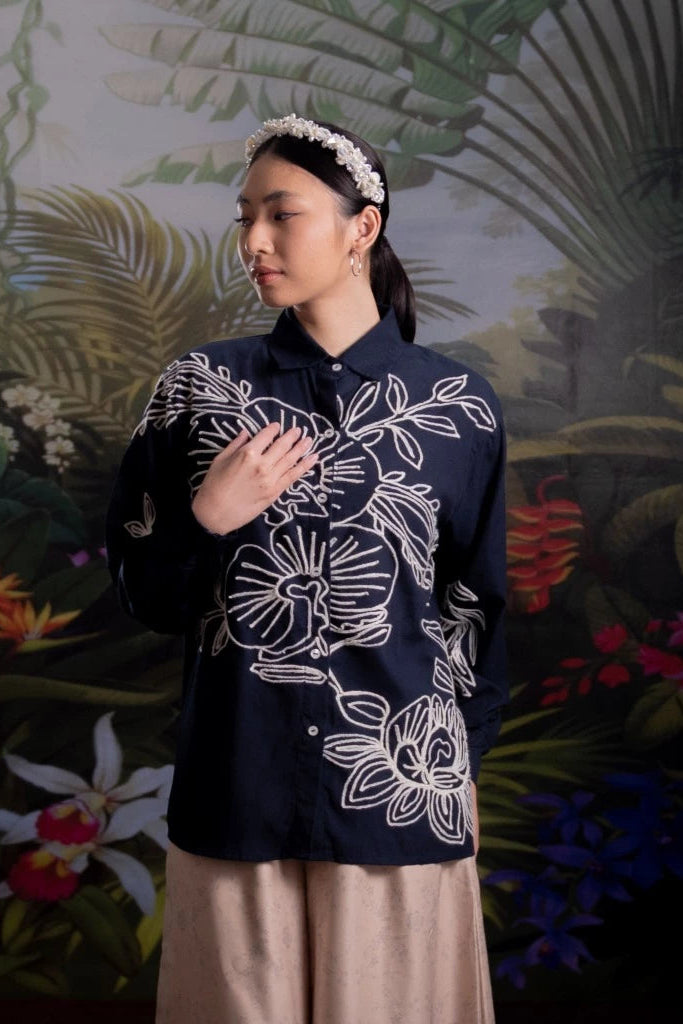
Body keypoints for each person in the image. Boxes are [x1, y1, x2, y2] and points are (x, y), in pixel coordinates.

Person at [105, 113, 507, 1024]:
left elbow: (474, 611)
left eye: (280, 214)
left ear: (361, 226)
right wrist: (208, 514)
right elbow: (141, 591)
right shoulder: (201, 390)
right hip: (236, 787)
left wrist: (461, 769)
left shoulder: (455, 404)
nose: (252, 241)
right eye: (244, 216)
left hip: (400, 798)